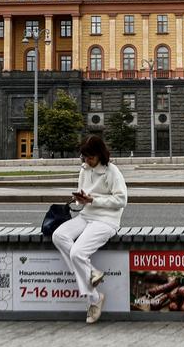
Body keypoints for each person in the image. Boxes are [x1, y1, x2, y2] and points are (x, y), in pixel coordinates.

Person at [52, 136, 128, 324]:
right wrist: (81, 199)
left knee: (77, 253)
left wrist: (94, 200)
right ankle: (92, 273)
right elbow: (82, 198)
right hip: (86, 215)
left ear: (100, 155)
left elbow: (121, 200)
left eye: (91, 158)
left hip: (107, 220)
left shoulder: (112, 171)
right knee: (59, 235)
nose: (87, 161)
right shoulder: (84, 169)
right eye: (84, 157)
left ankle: (94, 299)